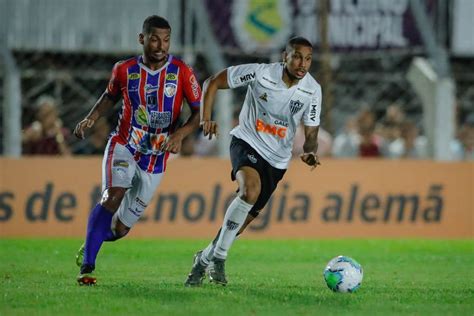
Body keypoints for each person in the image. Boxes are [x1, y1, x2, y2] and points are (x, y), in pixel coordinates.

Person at [73, 15, 202, 285]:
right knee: (112, 196)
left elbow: (199, 113)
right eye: (154, 38)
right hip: (124, 145)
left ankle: (91, 242)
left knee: (120, 229)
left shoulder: (182, 72)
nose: (161, 45)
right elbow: (110, 96)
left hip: (156, 158)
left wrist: (179, 134)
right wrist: (91, 118)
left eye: (166, 40)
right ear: (142, 39)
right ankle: (88, 265)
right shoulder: (124, 69)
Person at [184, 36, 322, 287]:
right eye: (298, 57)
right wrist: (205, 118)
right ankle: (220, 260)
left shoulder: (312, 90)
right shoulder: (259, 74)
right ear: (285, 56)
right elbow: (212, 82)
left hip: (277, 160)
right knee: (250, 190)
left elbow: (311, 133)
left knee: (241, 223)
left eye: (309, 58)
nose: (303, 63)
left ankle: (204, 259)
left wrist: (310, 151)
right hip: (246, 141)